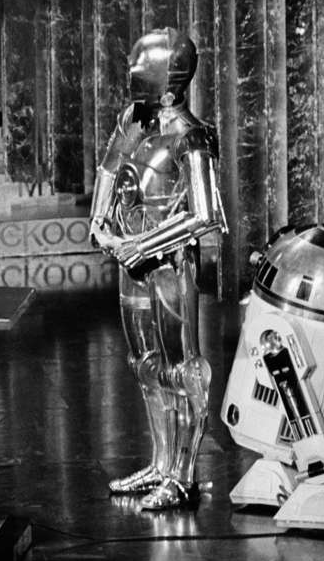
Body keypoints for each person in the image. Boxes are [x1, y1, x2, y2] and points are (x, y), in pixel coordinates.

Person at [89, 28, 228, 510]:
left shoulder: (192, 135)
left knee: (181, 368)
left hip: (169, 266)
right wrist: (103, 230)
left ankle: (182, 474)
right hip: (132, 263)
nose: (133, 83)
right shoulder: (133, 119)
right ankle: (160, 462)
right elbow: (109, 173)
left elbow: (207, 213)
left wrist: (143, 244)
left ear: (170, 85)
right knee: (145, 366)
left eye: (141, 75)